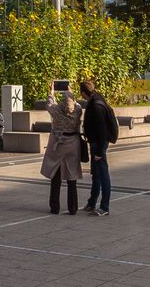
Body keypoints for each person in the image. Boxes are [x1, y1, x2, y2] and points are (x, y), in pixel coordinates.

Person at [39, 87, 84, 215]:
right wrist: (72, 93)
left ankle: (55, 207)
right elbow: (78, 104)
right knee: (72, 177)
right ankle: (73, 207)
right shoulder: (78, 110)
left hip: (58, 145)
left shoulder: (56, 110)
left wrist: (51, 92)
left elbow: (49, 104)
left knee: (56, 176)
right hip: (73, 145)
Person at [80, 77, 117, 217]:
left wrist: (100, 151)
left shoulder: (96, 105)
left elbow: (102, 129)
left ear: (84, 92)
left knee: (102, 174)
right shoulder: (96, 99)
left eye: (81, 93)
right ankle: (92, 202)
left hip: (99, 143)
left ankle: (104, 207)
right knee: (96, 173)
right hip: (96, 142)